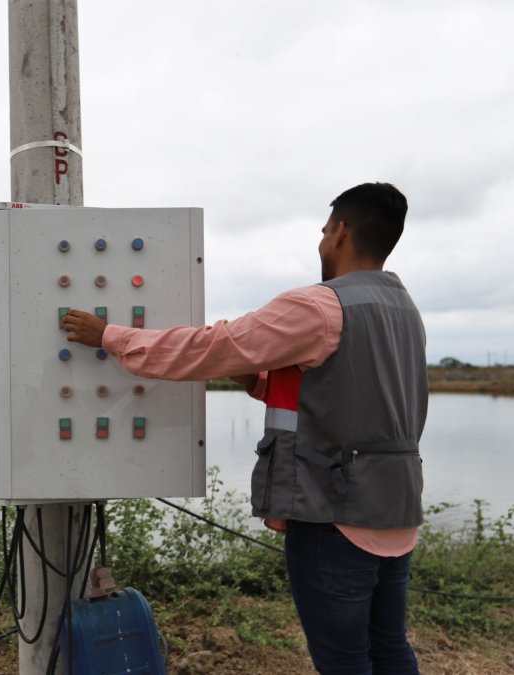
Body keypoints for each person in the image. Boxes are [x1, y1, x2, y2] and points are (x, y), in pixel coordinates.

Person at [61, 182, 426, 674]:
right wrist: (253, 374)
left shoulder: (319, 306)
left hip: (334, 514)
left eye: (323, 231)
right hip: (396, 511)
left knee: (344, 661)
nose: (320, 242)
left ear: (340, 232)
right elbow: (344, 398)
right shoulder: (405, 310)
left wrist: (110, 336)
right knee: (389, 648)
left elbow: (209, 346)